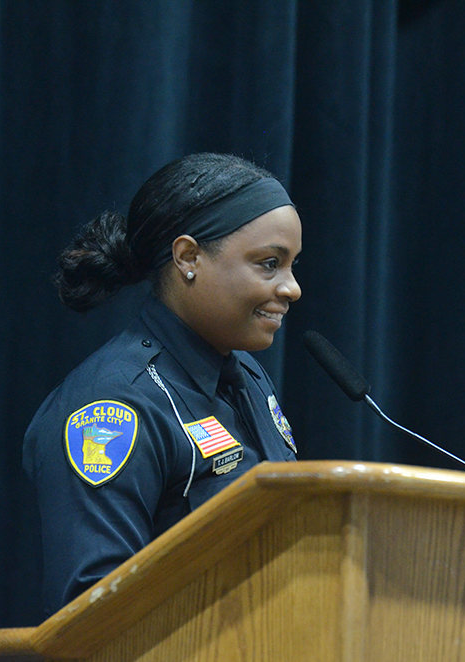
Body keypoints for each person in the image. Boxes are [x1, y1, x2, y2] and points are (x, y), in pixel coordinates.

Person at [23, 153, 302, 614]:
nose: (292, 288)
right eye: (269, 263)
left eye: (292, 265)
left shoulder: (248, 376)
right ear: (188, 257)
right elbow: (94, 612)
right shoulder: (111, 405)